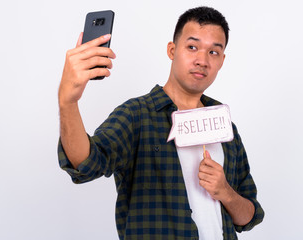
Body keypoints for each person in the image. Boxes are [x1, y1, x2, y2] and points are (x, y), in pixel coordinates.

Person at [58, 6, 264, 240]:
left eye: (213, 52)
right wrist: (68, 102)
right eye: (192, 47)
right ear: (172, 50)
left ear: (222, 60)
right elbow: (85, 164)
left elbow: (250, 217)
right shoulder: (136, 115)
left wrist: (225, 192)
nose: (202, 60)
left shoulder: (224, 125)